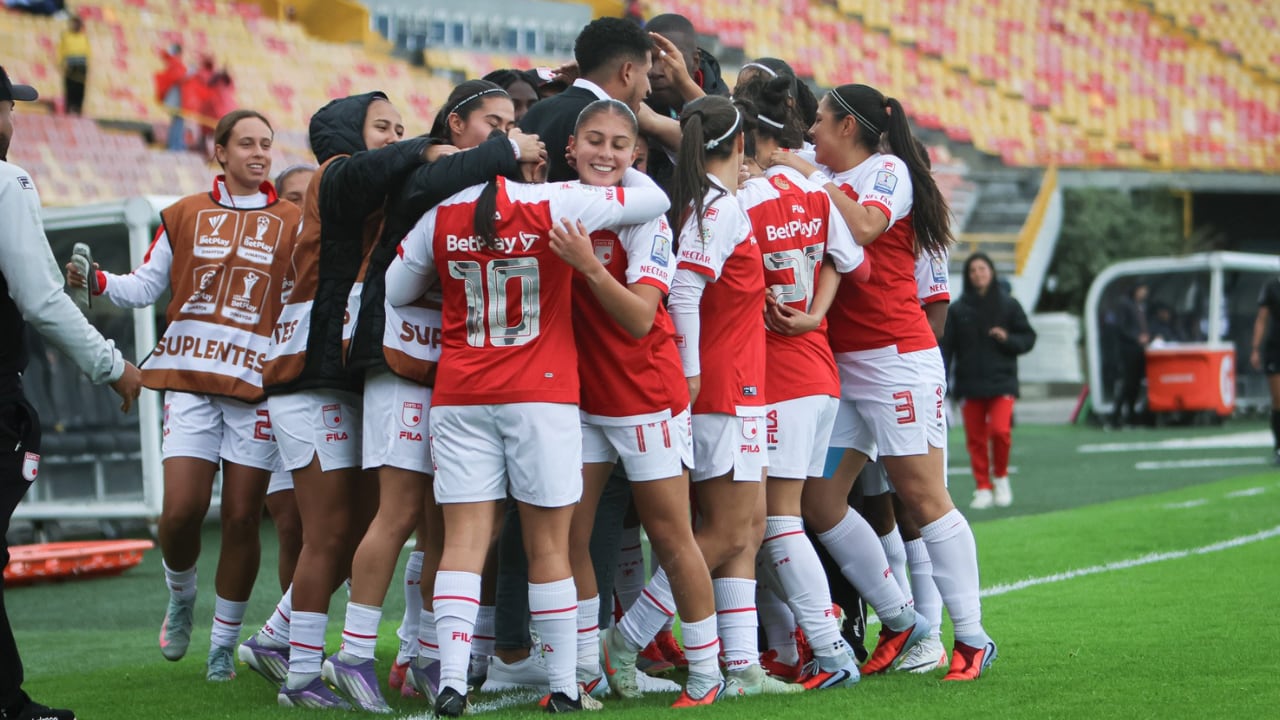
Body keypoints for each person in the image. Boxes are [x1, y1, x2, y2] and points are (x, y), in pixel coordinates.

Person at [385, 141, 671, 716]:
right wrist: (626, 154)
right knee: (549, 544)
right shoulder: (556, 202)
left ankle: (453, 680)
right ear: (528, 163)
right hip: (541, 394)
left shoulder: (438, 215)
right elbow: (655, 200)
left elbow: (394, 291)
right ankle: (565, 686)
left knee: (464, 542)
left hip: (462, 391)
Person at [326, 80, 541, 713]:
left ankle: (422, 653)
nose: (504, 133)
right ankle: (354, 653)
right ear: (455, 124)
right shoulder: (425, 173)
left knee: (443, 520)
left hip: (445, 364)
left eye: (511, 123)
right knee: (395, 513)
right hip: (399, 356)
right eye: (492, 122)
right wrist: (505, 152)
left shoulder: (481, 178)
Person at [66, 109, 301, 682]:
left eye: (266, 145)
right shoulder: (184, 213)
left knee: (243, 517)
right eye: (246, 143)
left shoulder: (294, 221)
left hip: (256, 386)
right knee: (181, 513)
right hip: (189, 379)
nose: (259, 153)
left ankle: (223, 643)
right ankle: (180, 593)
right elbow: (147, 286)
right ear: (219, 151)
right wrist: (96, 281)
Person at [772, 83, 996, 681]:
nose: (811, 131)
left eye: (819, 120)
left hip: (898, 359)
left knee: (922, 498)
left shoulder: (887, 170)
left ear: (848, 126)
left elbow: (868, 226)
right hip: (842, 365)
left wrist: (809, 175)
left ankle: (972, 638)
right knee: (818, 500)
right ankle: (903, 619)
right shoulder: (818, 169)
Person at [248, 91, 441, 709]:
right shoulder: (336, 176)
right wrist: (435, 148)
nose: (394, 136)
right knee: (328, 534)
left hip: (329, 380)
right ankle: (303, 677)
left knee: (352, 528)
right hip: (307, 382)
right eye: (381, 127)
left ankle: (278, 642)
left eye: (400, 127)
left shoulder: (360, 194)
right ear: (344, 137)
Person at [605, 94, 796, 700]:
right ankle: (627, 639)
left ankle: (741, 665)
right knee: (724, 531)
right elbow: (684, 293)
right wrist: (689, 375)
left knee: (748, 528)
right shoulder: (720, 208)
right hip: (723, 386)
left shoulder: (704, 203)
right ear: (741, 146)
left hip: (738, 383)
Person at [545, 99, 722, 706]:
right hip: (582, 398)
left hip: (646, 397)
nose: (605, 153)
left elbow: (640, 317)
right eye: (593, 141)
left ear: (635, 154)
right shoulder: (554, 202)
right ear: (571, 149)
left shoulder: (646, 217)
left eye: (619, 145)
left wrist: (589, 268)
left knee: (672, 537)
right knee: (573, 535)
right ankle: (586, 670)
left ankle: (706, 673)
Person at [1, 65, 142, 720]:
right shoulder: (6, 181)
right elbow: (41, 299)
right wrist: (112, 364)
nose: (13, 122)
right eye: (10, 109)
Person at [734, 76, 865, 690]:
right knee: (767, 521)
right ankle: (801, 647)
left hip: (776, 374)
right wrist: (816, 313)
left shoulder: (740, 201)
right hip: (818, 366)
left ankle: (831, 650)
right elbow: (848, 258)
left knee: (776, 521)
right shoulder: (811, 188)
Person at [942, 252, 1036, 509]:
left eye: (982, 269)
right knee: (975, 439)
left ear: (992, 272)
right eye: (973, 270)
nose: (978, 274)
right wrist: (944, 381)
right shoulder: (958, 310)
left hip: (1002, 382)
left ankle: (1001, 478)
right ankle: (982, 486)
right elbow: (946, 349)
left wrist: (1008, 339)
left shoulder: (1009, 305)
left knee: (1000, 431)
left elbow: (1028, 338)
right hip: (969, 384)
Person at [520, 16, 653, 182]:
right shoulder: (609, 123)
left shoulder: (537, 111)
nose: (649, 88)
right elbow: (628, 201)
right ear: (626, 72)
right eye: (647, 74)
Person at [1110, 281, 1150, 428]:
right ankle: (1115, 416)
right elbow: (1121, 327)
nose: (1144, 293)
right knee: (1127, 383)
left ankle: (1131, 415)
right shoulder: (1124, 304)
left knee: (1135, 384)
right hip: (1128, 351)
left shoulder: (1139, 306)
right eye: (1142, 289)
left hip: (1139, 350)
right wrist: (1136, 337)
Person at [1250, 275, 1280, 464]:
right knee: (1278, 400)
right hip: (1276, 347)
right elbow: (1262, 319)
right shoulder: (1272, 286)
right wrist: (1255, 348)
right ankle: (1279, 446)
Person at [154, 44, 189, 151]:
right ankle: (175, 145)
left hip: (176, 97)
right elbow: (179, 77)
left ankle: (176, 143)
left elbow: (164, 54)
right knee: (178, 121)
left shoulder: (173, 62)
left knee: (178, 121)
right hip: (177, 98)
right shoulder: (176, 63)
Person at [57, 16, 89, 115]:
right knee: (70, 87)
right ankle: (69, 108)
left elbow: (87, 52)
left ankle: (78, 109)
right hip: (70, 65)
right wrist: (60, 63)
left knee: (80, 88)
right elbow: (61, 50)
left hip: (81, 65)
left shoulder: (83, 37)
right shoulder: (66, 36)